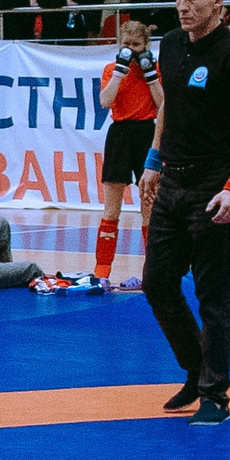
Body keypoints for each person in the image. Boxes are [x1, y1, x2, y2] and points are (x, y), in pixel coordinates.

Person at [137, 0, 230, 423]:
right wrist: (153, 160)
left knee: (214, 296)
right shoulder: (171, 44)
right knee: (156, 283)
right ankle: (196, 368)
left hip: (215, 187)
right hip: (173, 181)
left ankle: (215, 396)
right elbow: (168, 107)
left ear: (218, 1)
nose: (182, 6)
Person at [93, 15, 162, 281]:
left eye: (136, 45)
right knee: (111, 208)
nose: (131, 50)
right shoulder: (111, 68)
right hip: (120, 134)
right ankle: (102, 269)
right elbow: (105, 101)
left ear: (145, 45)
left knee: (150, 206)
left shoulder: (154, 68)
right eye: (126, 44)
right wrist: (120, 72)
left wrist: (151, 75)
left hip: (147, 132)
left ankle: (153, 270)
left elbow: (163, 105)